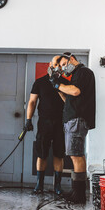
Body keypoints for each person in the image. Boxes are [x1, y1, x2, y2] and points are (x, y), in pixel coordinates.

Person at [50, 52, 96, 204]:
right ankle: (77, 192)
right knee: (76, 155)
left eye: (64, 64)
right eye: (61, 67)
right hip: (73, 119)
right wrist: (58, 88)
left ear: (72, 59)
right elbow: (68, 98)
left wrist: (58, 84)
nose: (63, 68)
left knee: (76, 156)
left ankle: (79, 194)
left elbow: (75, 91)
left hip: (77, 120)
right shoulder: (76, 76)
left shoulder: (83, 72)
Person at [24, 56, 66, 195]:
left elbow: (69, 102)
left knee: (59, 154)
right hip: (44, 122)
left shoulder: (64, 84)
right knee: (41, 154)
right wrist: (28, 120)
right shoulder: (40, 82)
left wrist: (58, 85)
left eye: (60, 66)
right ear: (50, 65)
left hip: (60, 123)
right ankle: (39, 185)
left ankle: (57, 186)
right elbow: (32, 102)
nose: (57, 67)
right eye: (55, 64)